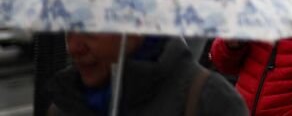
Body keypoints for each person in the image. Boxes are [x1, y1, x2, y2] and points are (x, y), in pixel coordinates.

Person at [48, 33, 246, 115]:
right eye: (69, 30)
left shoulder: (210, 102)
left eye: (90, 30)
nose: (73, 47)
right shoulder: (67, 102)